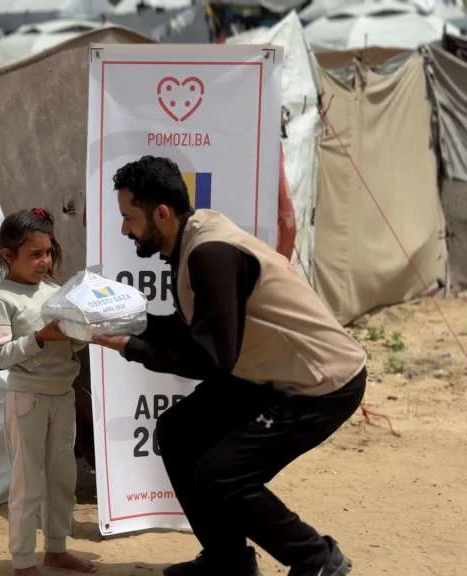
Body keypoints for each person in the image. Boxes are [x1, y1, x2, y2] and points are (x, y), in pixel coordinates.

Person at [91, 156, 366, 576]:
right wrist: (125, 321)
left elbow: (209, 358)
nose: (124, 229)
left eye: (129, 217)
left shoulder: (210, 253)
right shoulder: (189, 242)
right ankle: (228, 560)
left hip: (319, 382)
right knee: (178, 432)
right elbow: (196, 332)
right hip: (269, 372)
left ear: (161, 213)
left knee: (223, 475)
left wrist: (128, 345)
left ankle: (316, 558)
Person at [0, 208, 99, 576]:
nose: (44, 261)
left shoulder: (57, 292)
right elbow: (0, 356)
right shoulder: (2, 298)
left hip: (62, 396)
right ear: (8, 254)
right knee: (27, 480)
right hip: (27, 400)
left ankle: (56, 548)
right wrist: (38, 338)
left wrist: (83, 332)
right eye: (35, 254)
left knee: (61, 477)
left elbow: (72, 348)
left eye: (48, 252)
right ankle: (22, 561)